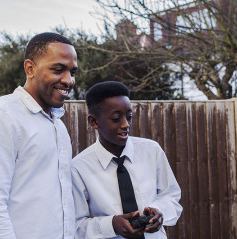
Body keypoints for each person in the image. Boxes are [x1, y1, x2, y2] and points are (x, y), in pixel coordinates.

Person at [0, 32, 78, 239]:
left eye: (73, 72)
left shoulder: (58, 126)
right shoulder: (0, 116)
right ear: (30, 68)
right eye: (58, 70)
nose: (69, 80)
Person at [71, 81, 182, 239]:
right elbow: (76, 225)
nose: (126, 124)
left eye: (128, 117)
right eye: (116, 119)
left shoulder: (152, 151)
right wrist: (112, 225)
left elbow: (171, 197)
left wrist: (158, 212)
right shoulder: (78, 168)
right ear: (93, 121)